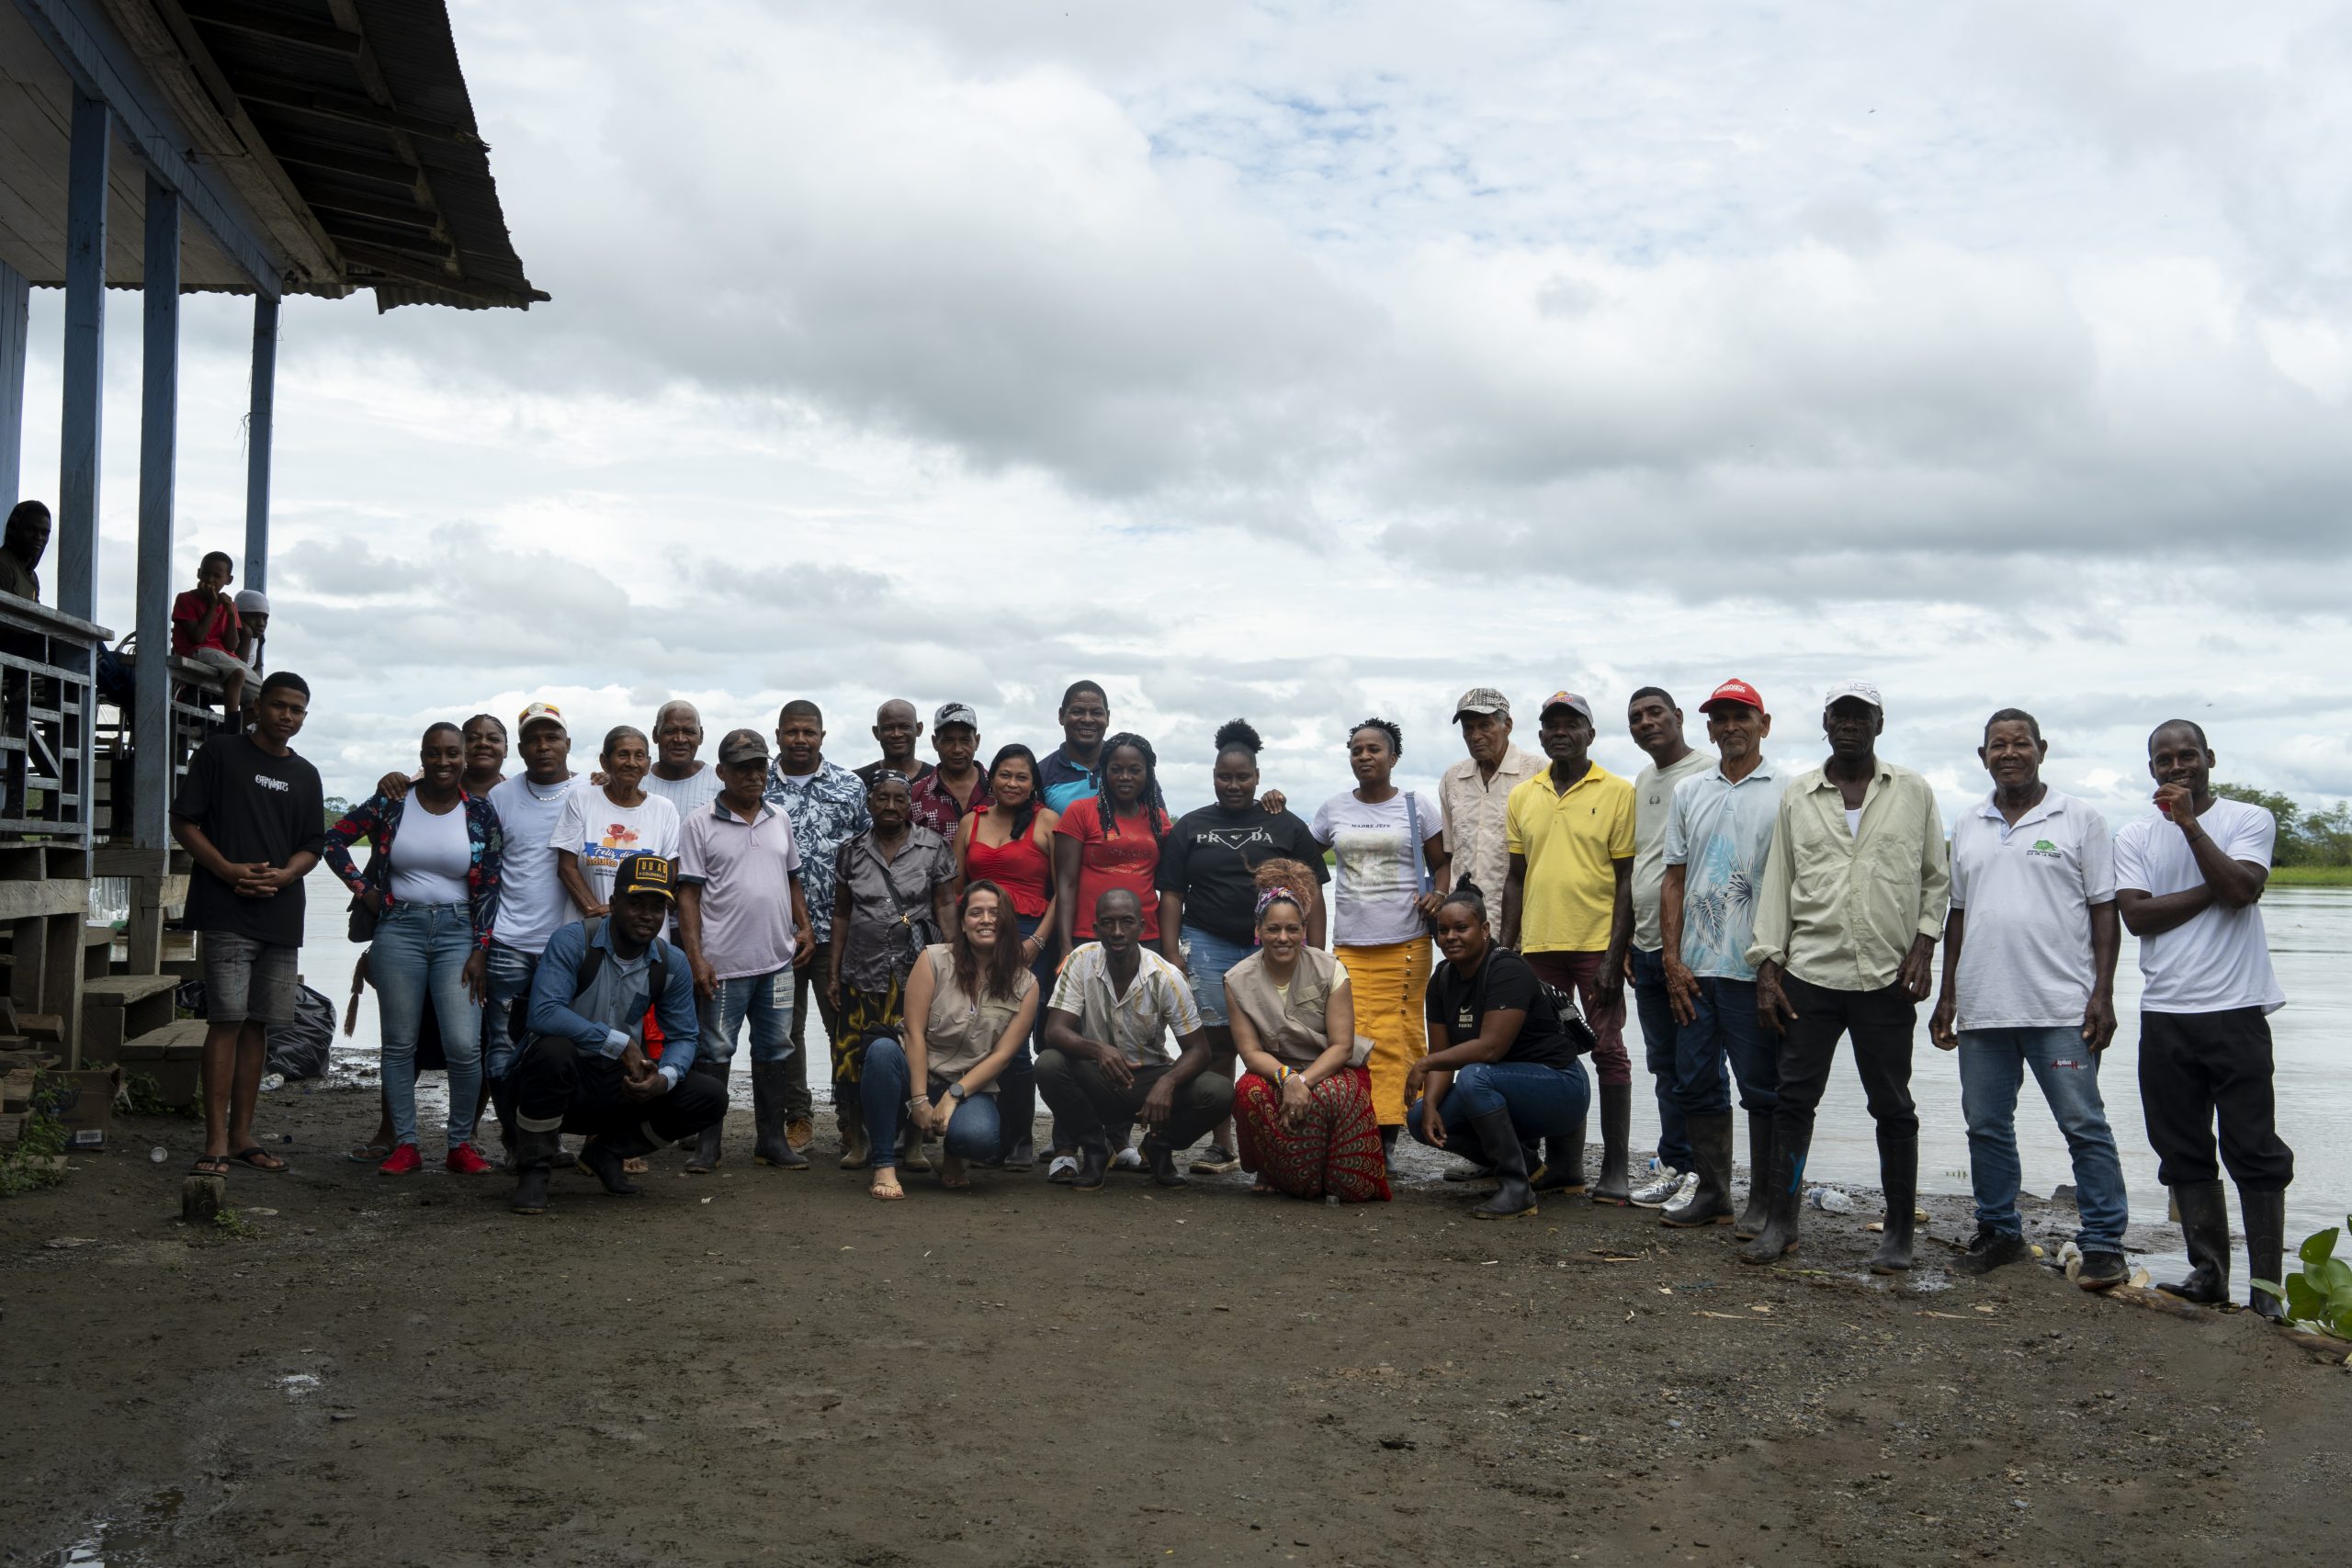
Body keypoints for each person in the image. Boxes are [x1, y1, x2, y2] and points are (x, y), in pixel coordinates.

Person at [1740, 681, 1949, 1271]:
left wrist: (1924, 946)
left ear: (1879, 724)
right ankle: (1782, 1224)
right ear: (1826, 723)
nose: (1850, 725)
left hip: (1887, 977)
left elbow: (1935, 877)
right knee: (1793, 1101)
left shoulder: (1913, 791)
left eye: (1862, 716)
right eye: (1840, 715)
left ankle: (1899, 1233)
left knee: (1893, 1105)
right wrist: (1767, 970)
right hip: (1810, 972)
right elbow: (1778, 882)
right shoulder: (1798, 796)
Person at [1929, 710, 2129, 1290]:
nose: (2009, 752)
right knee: (1986, 1125)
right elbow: (1957, 915)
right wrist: (1947, 996)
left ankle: (2102, 1242)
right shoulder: (1968, 822)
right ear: (1983, 755)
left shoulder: (2079, 818)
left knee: (2083, 1124)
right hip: (1984, 1005)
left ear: (2042, 749)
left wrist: (2103, 993)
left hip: (2061, 1008)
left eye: (2021, 743)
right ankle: (1999, 1233)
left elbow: (2103, 909)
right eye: (1998, 745)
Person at [2116, 719, 2290, 1318]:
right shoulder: (2136, 834)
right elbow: (2136, 916)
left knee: (2254, 1148)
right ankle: (2209, 1271)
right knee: (2182, 1147)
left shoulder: (2248, 819)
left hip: (2236, 1010)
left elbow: (2243, 889)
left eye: (2187, 755)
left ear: (2209, 758)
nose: (2176, 766)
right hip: (2165, 1014)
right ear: (2152, 770)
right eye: (2164, 760)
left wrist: (2190, 825)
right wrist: (2214, 888)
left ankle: (2267, 1291)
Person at [322, 723, 504, 1175]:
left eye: (451, 754)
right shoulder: (394, 800)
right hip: (398, 929)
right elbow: (333, 840)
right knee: (398, 1045)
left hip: (459, 932)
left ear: (464, 758)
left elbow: (490, 887)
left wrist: (481, 948)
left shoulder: (480, 812)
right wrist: (365, 889)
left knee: (464, 1044)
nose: (443, 762)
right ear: (420, 757)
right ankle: (406, 1144)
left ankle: (460, 1143)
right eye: (433, 754)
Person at [508, 853, 725, 1214]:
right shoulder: (572, 941)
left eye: (657, 907)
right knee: (553, 1049)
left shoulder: (671, 962)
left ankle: (606, 1153)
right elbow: (543, 1013)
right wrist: (619, 1042)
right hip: (550, 1082)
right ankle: (533, 1170)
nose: (646, 915)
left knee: (710, 1096)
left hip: (615, 1085)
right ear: (613, 902)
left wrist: (664, 1079)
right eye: (636, 902)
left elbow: (685, 1038)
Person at [169, 672, 323, 1179]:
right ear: (258, 707)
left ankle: (242, 1136)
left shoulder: (306, 775)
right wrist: (227, 869)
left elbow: (312, 846)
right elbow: (184, 822)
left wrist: (285, 875)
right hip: (226, 908)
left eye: (297, 710)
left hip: (279, 914)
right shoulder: (219, 754)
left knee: (259, 1023)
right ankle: (214, 1140)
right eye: (279, 706)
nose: (287, 716)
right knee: (226, 1020)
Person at [1158, 719, 1328, 1174]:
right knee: (1216, 1043)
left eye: (1242, 777)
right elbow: (1171, 894)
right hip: (1207, 944)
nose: (1233, 785)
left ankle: (1278, 1134)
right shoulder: (1190, 826)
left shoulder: (1285, 824)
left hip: (1273, 946)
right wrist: (1174, 956)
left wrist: (1317, 953)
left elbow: (1313, 892)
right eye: (1224, 777)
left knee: (1280, 1038)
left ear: (1257, 776)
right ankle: (1222, 1142)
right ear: (1213, 776)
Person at [1657, 679, 1784, 1235]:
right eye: (1720, 718)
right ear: (1708, 727)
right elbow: (1674, 878)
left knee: (1762, 1087)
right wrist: (1670, 957)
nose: (1730, 726)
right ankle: (1713, 1193)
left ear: (1764, 724)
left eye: (1742, 716)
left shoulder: (1789, 790)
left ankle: (1764, 1202)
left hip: (1756, 966)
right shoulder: (1690, 792)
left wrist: (1775, 964)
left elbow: (1794, 883)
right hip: (1695, 969)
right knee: (1694, 1080)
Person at [1501, 692, 1634, 1201]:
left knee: (1608, 1050)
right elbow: (1515, 878)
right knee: (1548, 1053)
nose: (1561, 732)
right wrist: (1507, 950)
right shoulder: (1524, 795)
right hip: (1537, 947)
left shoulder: (1617, 791)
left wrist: (1614, 955)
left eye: (1571, 724)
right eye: (1551, 725)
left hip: (1595, 945)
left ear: (1590, 734)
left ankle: (1616, 1169)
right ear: (1539, 737)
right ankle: (1565, 1165)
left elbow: (1626, 879)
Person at [1407, 882, 1595, 1221]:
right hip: (1499, 1088)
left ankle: (1517, 1189)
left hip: (1560, 1088)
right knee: (1420, 1118)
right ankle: (1528, 1167)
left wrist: (1424, 1062)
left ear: (1484, 930)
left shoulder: (1507, 969)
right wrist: (1432, 1102)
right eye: (1443, 930)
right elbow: (1442, 1055)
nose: (1450, 937)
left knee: (1475, 1075)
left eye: (1461, 928)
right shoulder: (1442, 980)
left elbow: (1491, 1049)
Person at [1311, 717, 1449, 1168]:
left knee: (1399, 1037)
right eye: (1356, 749)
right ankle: (1358, 1127)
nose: (1365, 756)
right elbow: (1303, 857)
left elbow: (1440, 862)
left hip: (1407, 940)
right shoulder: (1332, 808)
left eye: (1374, 749)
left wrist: (1439, 893)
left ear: (1393, 757)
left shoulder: (1416, 805)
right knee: (1351, 1035)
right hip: (1350, 941)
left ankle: (1388, 1135)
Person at [677, 728, 816, 1173]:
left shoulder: (779, 819)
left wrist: (806, 926)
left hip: (777, 962)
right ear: (722, 772)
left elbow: (791, 876)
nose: (753, 776)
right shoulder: (699, 822)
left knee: (775, 1048)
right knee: (715, 1052)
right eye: (742, 768)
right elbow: (688, 895)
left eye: (759, 766)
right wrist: (697, 958)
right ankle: (708, 1145)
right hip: (723, 965)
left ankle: (772, 1142)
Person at [855, 881, 1040, 1201]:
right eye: (976, 913)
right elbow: (913, 1032)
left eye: (995, 913)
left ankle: (954, 1154)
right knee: (882, 1051)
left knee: (980, 1139)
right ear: (963, 922)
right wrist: (918, 1099)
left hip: (968, 1084)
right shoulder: (933, 960)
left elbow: (1002, 1056)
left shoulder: (1026, 984)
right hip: (913, 1070)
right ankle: (884, 1164)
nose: (985, 920)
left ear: (1008, 921)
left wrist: (954, 1095)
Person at [1037, 889, 1227, 1190]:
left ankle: (1159, 1147)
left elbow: (1199, 1051)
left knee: (1219, 1092)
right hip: (1098, 1077)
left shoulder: (1166, 976)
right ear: (1094, 929)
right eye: (1107, 923)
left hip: (1149, 1080)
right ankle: (1095, 1149)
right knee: (1048, 1063)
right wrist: (1097, 1049)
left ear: (1142, 927)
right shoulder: (1081, 960)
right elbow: (1054, 1031)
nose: (1116, 932)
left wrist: (1168, 1082)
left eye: (1126, 922)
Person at [1226, 861, 1387, 1202]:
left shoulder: (1331, 969)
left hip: (1330, 1065)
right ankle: (1275, 1171)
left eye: (1292, 929)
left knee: (1333, 1095)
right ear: (1258, 930)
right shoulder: (1237, 979)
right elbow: (1250, 1053)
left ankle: (1334, 1177)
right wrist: (1287, 1078)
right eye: (1273, 929)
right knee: (1249, 1092)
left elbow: (1342, 1045)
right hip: (1277, 1068)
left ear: (1303, 929)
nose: (1283, 938)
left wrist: (1304, 1081)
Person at [827, 772, 957, 1169]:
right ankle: (859, 1143)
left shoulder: (933, 847)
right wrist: (833, 972)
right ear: (869, 803)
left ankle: (914, 1144)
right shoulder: (850, 851)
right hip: (861, 970)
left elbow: (946, 906)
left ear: (909, 805)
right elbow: (842, 915)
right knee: (852, 1057)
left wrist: (955, 964)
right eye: (881, 798)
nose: (889, 806)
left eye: (899, 799)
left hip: (917, 971)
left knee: (917, 1052)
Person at [766, 700, 870, 1156]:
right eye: (792, 732)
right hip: (774, 934)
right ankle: (798, 1118)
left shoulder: (849, 786)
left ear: (823, 736)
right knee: (784, 1030)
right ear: (778, 735)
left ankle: (850, 1121)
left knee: (842, 1029)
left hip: (836, 934)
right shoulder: (756, 784)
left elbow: (868, 852)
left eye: (809, 732)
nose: (801, 740)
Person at [1623, 687, 1714, 1209]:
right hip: (1648, 944)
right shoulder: (1644, 779)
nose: (1646, 722)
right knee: (1662, 1063)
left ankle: (1705, 1174)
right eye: (1636, 717)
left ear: (1679, 718)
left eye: (1655, 712)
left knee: (1698, 1064)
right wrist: (1635, 941)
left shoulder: (1705, 773)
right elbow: (1643, 861)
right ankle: (1675, 1163)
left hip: (1694, 948)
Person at [951, 743, 1060, 1168]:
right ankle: (986, 1135)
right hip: (979, 937)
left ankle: (1020, 1138)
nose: (1012, 783)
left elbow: (1061, 892)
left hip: (1030, 939)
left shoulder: (1047, 823)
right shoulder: (969, 823)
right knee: (983, 1034)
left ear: (1034, 783)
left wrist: (1039, 943)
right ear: (990, 778)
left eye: (1022, 777)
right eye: (1005, 775)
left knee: (1018, 1045)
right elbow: (957, 890)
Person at [480, 703, 582, 1143]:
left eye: (552, 737)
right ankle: (515, 1141)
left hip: (569, 946)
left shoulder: (588, 793)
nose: (544, 747)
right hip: (509, 941)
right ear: (520, 749)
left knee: (562, 1047)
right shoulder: (500, 797)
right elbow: (484, 870)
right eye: (534, 739)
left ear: (567, 744)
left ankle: (552, 1136)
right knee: (503, 1046)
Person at [1438, 688, 1543, 933]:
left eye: (1485, 726)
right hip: (1465, 928)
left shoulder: (1537, 772)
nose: (1475, 736)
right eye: (1468, 728)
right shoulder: (1452, 778)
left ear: (1507, 725)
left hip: (1522, 925)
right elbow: (1450, 853)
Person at [554, 725, 682, 915]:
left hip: (643, 931)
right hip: (587, 930)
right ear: (605, 762)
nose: (631, 763)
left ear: (647, 764)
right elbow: (566, 867)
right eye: (623, 754)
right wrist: (596, 912)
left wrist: (628, 915)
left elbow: (669, 873)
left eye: (639, 756)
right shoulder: (582, 799)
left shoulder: (664, 809)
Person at [170, 549, 251, 714]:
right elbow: (197, 638)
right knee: (237, 675)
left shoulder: (230, 606)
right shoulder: (185, 599)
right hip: (196, 652)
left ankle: (219, 731)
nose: (210, 580)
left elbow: (231, 646)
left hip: (224, 656)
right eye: (206, 574)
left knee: (264, 697)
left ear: (229, 580)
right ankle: (231, 732)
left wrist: (229, 612)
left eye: (217, 576)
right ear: (199, 573)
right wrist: (212, 606)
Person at [909, 702, 991, 835]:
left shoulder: (998, 791)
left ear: (977, 741)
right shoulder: (915, 796)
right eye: (948, 741)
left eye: (965, 740)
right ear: (935, 743)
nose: (957, 749)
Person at [645, 700, 722, 818]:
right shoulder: (636, 782)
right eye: (670, 731)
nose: (680, 739)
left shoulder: (721, 784)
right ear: (655, 734)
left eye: (689, 732)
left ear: (701, 736)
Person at [855, 699, 934, 788]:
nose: (896, 734)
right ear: (876, 732)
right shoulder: (855, 783)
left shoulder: (939, 780)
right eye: (888, 728)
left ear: (919, 729)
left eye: (905, 727)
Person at [0, 499, 48, 601]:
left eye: (44, 533)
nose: (38, 537)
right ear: (15, 529)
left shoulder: (32, 577)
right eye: (31, 530)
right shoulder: (3, 565)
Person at [232, 590, 269, 677]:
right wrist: (246, 634)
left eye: (265, 618)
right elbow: (239, 671)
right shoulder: (227, 633)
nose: (261, 623)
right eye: (253, 616)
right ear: (238, 615)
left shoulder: (257, 638)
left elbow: (258, 673)